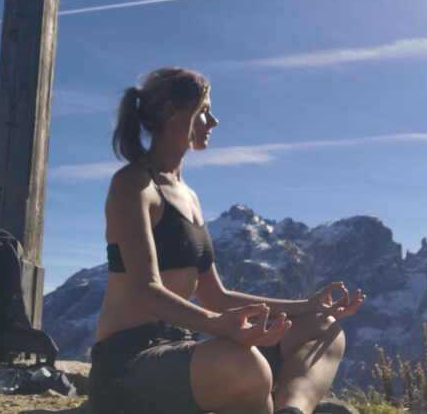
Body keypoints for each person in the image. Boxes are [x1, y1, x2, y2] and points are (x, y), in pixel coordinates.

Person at [88, 67, 366, 414]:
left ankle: (291, 411)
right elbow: (146, 289)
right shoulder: (134, 185)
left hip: (182, 349)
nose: (214, 120)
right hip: (128, 363)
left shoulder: (188, 195)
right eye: (204, 110)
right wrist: (218, 326)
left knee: (323, 330)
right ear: (175, 113)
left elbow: (215, 295)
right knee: (245, 364)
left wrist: (309, 306)